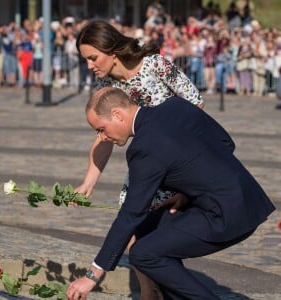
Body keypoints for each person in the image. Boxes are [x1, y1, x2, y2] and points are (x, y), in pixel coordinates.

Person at [67, 87, 275, 300]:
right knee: (146, 229)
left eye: (101, 129)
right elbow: (225, 143)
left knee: (144, 254)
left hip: (227, 214)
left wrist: (93, 275)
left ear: (118, 115)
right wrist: (187, 191)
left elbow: (131, 214)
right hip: (246, 197)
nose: (102, 137)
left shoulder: (144, 148)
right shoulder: (175, 106)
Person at [74, 19, 204, 299]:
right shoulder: (106, 83)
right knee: (130, 224)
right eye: (85, 60)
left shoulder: (155, 65)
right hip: (145, 163)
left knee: (154, 233)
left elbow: (196, 104)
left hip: (176, 161)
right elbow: (104, 135)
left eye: (92, 58)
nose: (89, 66)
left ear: (110, 49)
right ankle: (149, 292)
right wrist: (88, 182)